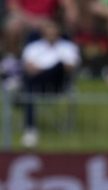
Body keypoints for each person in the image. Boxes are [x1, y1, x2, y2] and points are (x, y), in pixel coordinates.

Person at [19, 18, 80, 147]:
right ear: (43, 32)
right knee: (29, 89)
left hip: (58, 82)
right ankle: (30, 130)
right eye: (48, 29)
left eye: (53, 29)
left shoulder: (68, 47)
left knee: (58, 66)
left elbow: (70, 67)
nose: (51, 32)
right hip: (37, 83)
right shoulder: (33, 47)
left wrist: (47, 68)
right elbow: (28, 68)